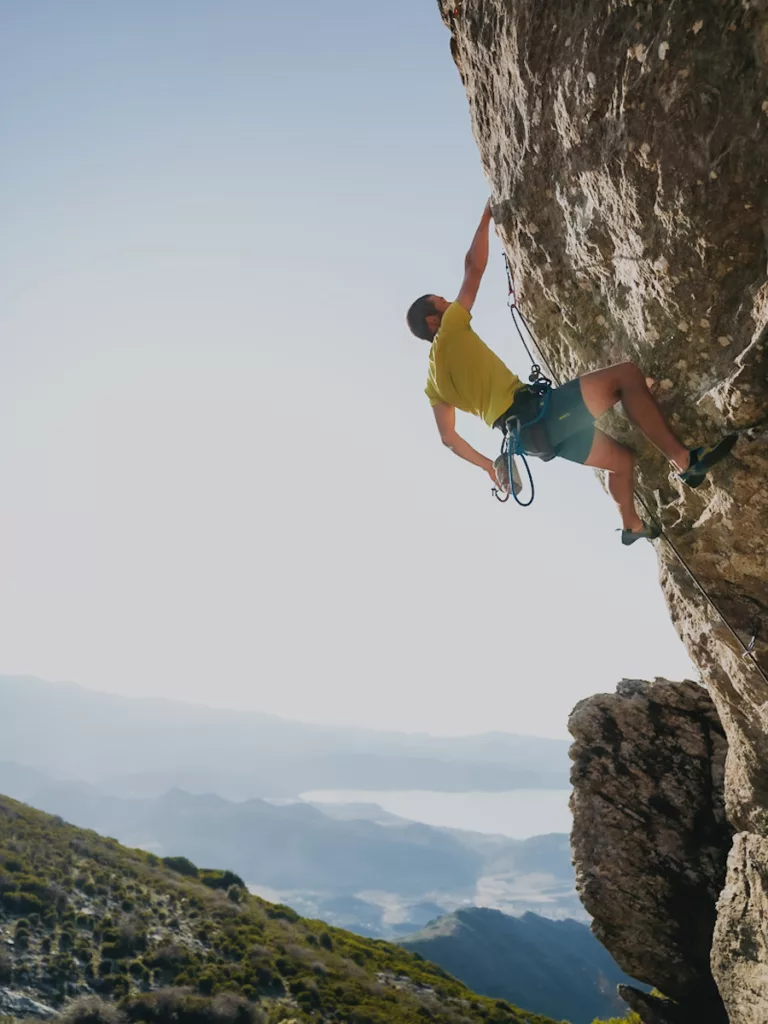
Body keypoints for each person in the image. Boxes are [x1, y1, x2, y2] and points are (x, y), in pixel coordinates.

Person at [405, 200, 738, 545]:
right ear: (433, 321)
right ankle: (685, 462)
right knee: (626, 376)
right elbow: (473, 269)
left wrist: (490, 466)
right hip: (539, 415)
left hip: (532, 440)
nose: (450, 303)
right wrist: (485, 217)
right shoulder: (450, 329)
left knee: (621, 461)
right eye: (443, 302)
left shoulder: (433, 385)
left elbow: (449, 439)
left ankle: (632, 526)